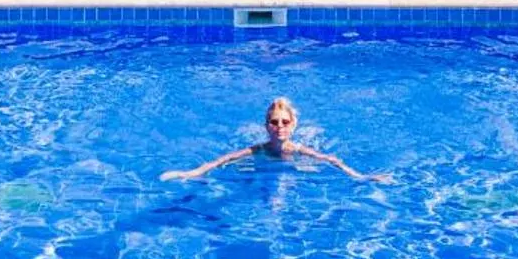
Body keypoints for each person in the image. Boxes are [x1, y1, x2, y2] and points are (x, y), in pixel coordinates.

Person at [161, 96, 389, 183]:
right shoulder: (257, 150)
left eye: (285, 122)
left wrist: (363, 177)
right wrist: (189, 173)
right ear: (266, 126)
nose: (279, 127)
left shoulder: (298, 150)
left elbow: (332, 160)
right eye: (274, 122)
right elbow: (221, 161)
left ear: (293, 125)